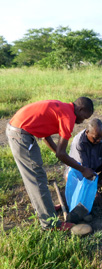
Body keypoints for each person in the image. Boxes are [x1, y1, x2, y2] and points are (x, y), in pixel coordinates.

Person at [6, 97, 95, 232]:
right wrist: (82, 169)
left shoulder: (63, 108)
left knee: (37, 176)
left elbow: (46, 137)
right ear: (80, 109)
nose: (83, 121)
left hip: (20, 130)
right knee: (36, 178)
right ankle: (50, 224)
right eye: (84, 117)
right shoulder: (68, 116)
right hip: (20, 134)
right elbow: (61, 153)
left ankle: (46, 209)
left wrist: (62, 156)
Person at [65, 118, 102, 203]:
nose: (99, 140)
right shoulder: (79, 142)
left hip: (95, 163)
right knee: (69, 176)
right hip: (80, 169)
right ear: (87, 132)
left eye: (100, 137)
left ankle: (97, 182)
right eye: (96, 138)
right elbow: (84, 170)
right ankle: (92, 185)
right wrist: (93, 191)